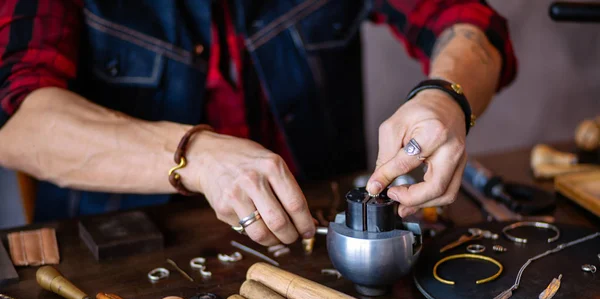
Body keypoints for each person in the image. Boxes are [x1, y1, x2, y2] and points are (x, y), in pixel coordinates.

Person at [0, 1, 516, 247]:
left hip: (317, 244)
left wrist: (446, 97)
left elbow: (469, 20)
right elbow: (15, 119)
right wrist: (193, 157)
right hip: (123, 252)